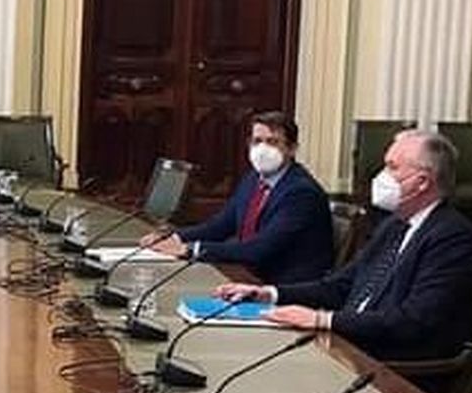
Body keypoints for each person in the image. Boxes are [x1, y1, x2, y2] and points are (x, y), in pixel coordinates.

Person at [216, 130, 472, 393]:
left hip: (393, 370)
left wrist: (323, 320)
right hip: (349, 347)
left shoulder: (453, 237)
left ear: (422, 181)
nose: (382, 176)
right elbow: (341, 286)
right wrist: (269, 294)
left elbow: (412, 321)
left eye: (392, 167)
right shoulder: (395, 224)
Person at [143, 111, 333, 284]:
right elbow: (221, 225)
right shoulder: (253, 179)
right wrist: (173, 238)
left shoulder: (301, 192)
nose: (263, 149)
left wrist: (190, 249)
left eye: (272, 142)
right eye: (257, 141)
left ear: (292, 149)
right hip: (248, 275)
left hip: (281, 287)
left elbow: (258, 249)